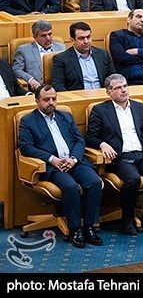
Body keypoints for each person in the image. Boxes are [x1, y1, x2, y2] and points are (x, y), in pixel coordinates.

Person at [85, 74, 143, 235]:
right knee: (133, 179)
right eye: (118, 88)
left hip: (141, 154)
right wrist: (102, 144)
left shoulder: (139, 107)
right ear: (109, 92)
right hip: (120, 158)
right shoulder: (100, 110)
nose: (123, 90)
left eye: (125, 86)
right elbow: (90, 137)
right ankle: (127, 219)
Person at [17, 85, 103, 248]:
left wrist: (73, 159)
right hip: (52, 166)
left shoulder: (66, 116)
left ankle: (89, 227)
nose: (51, 102)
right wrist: (52, 160)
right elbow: (26, 147)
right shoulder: (28, 121)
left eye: (53, 99)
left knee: (94, 182)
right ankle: (75, 229)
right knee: (70, 187)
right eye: (46, 99)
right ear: (37, 101)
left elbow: (79, 140)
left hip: (73, 161)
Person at [51, 21, 115, 91]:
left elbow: (113, 78)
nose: (86, 41)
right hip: (77, 96)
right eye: (81, 38)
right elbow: (58, 86)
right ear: (72, 40)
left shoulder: (103, 54)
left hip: (103, 94)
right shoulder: (61, 59)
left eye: (88, 37)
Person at [108, 9, 143, 85]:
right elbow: (121, 58)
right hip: (130, 81)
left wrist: (137, 51)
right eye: (139, 16)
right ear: (129, 19)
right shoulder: (117, 35)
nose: (142, 20)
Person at [13, 20, 66, 91]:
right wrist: (30, 80)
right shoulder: (24, 50)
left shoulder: (61, 47)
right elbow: (17, 70)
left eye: (50, 34)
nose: (48, 38)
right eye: (44, 36)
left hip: (60, 88)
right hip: (38, 89)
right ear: (35, 37)